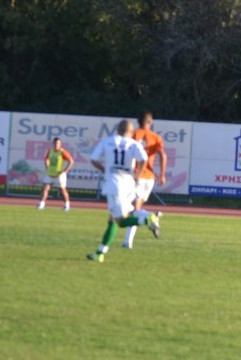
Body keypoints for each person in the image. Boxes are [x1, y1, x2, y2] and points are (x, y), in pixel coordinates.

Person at [86, 120, 161, 262]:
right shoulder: (134, 144)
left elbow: (94, 159)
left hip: (114, 184)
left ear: (117, 130)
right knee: (112, 220)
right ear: (131, 132)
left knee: (120, 221)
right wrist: (137, 175)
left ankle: (147, 219)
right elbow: (143, 159)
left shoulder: (107, 141)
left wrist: (105, 169)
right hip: (129, 183)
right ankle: (100, 253)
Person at [123, 111, 167, 249]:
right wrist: (162, 174)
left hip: (137, 176)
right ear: (150, 122)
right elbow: (163, 155)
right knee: (135, 209)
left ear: (138, 121)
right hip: (150, 178)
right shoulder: (156, 137)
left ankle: (151, 217)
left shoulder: (133, 134)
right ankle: (127, 243)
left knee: (133, 210)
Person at [37, 137, 74, 211]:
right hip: (50, 174)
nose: (57, 145)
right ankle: (41, 204)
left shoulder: (62, 152)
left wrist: (65, 171)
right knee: (46, 188)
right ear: (53, 144)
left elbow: (71, 161)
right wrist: (47, 167)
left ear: (60, 144)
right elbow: (46, 159)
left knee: (62, 190)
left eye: (58, 143)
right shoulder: (50, 151)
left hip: (59, 174)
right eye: (56, 143)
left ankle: (67, 205)